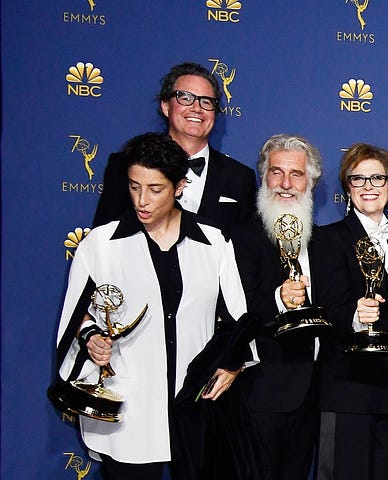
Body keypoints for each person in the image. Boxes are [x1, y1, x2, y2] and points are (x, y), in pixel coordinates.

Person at [53, 132, 254, 479]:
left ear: (179, 186)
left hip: (195, 411)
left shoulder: (214, 243)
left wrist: (233, 365)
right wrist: (91, 339)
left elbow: (238, 319)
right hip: (129, 410)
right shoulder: (101, 244)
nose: (142, 200)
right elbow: (76, 317)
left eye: (155, 189)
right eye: (134, 187)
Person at [308, 143, 388, 480]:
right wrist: (356, 316)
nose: (369, 187)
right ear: (347, 189)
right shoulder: (327, 238)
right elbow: (325, 308)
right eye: (358, 179)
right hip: (346, 385)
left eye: (377, 179)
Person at [230, 134, 327, 480]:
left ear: (311, 182)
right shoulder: (242, 236)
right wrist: (278, 299)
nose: (286, 184)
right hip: (262, 392)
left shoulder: (322, 239)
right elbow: (235, 308)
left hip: (314, 396)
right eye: (276, 172)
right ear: (263, 176)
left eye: (296, 174)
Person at [94, 62, 256, 230]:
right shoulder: (124, 165)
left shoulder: (240, 178)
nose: (196, 108)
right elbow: (102, 240)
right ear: (165, 106)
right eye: (185, 98)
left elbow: (246, 250)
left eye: (206, 102)